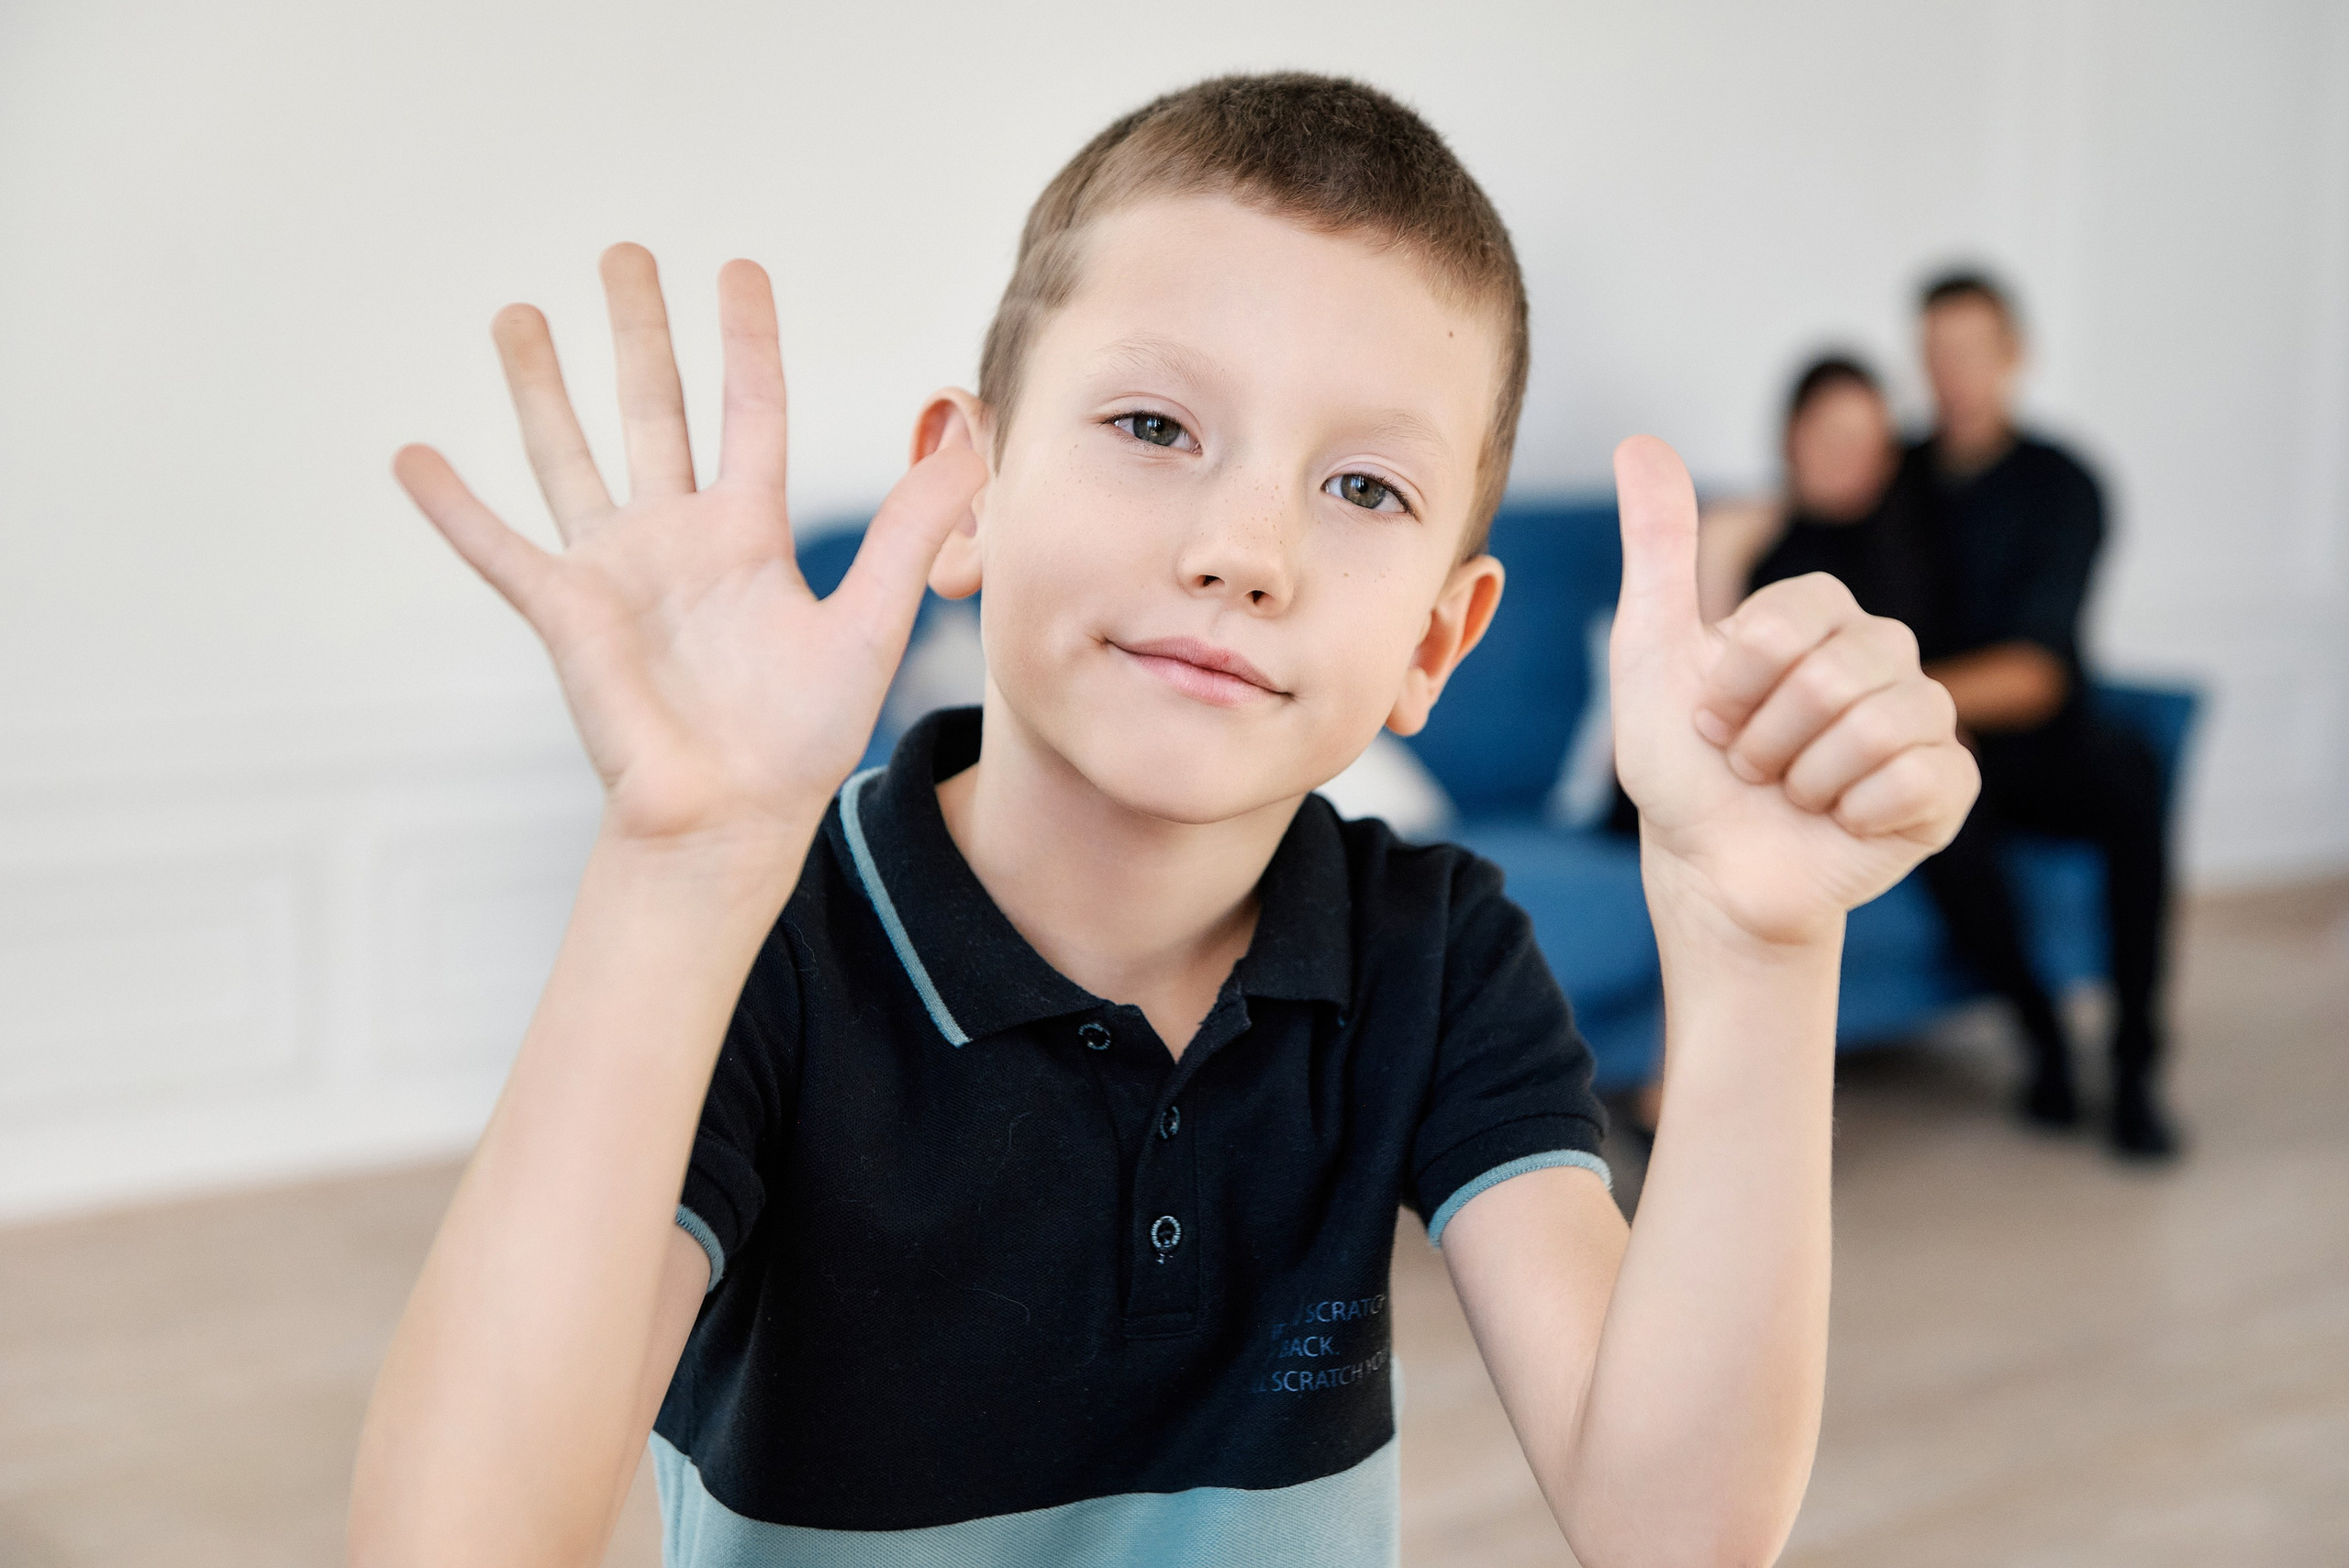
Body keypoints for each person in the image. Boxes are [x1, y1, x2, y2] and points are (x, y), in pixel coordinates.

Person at [346, 75, 1976, 1567]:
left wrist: (1759, 944)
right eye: (1152, 426)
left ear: (1433, 639)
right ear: (964, 496)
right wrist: (678, 873)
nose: (1244, 545)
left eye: (1362, 489)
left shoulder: (1439, 951)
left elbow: (1676, 1528)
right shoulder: (772, 939)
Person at [1897, 271, 2180, 1160]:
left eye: (1971, 350)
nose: (1952, 372)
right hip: (1940, 744)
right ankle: (2044, 1040)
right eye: (1936, 352)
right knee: (1935, 812)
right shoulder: (1895, 476)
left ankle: (2135, 1065)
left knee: (2131, 777)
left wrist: (1920, 696)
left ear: (2013, 356)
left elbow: (2035, 672)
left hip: (2040, 744)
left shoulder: (2063, 483)